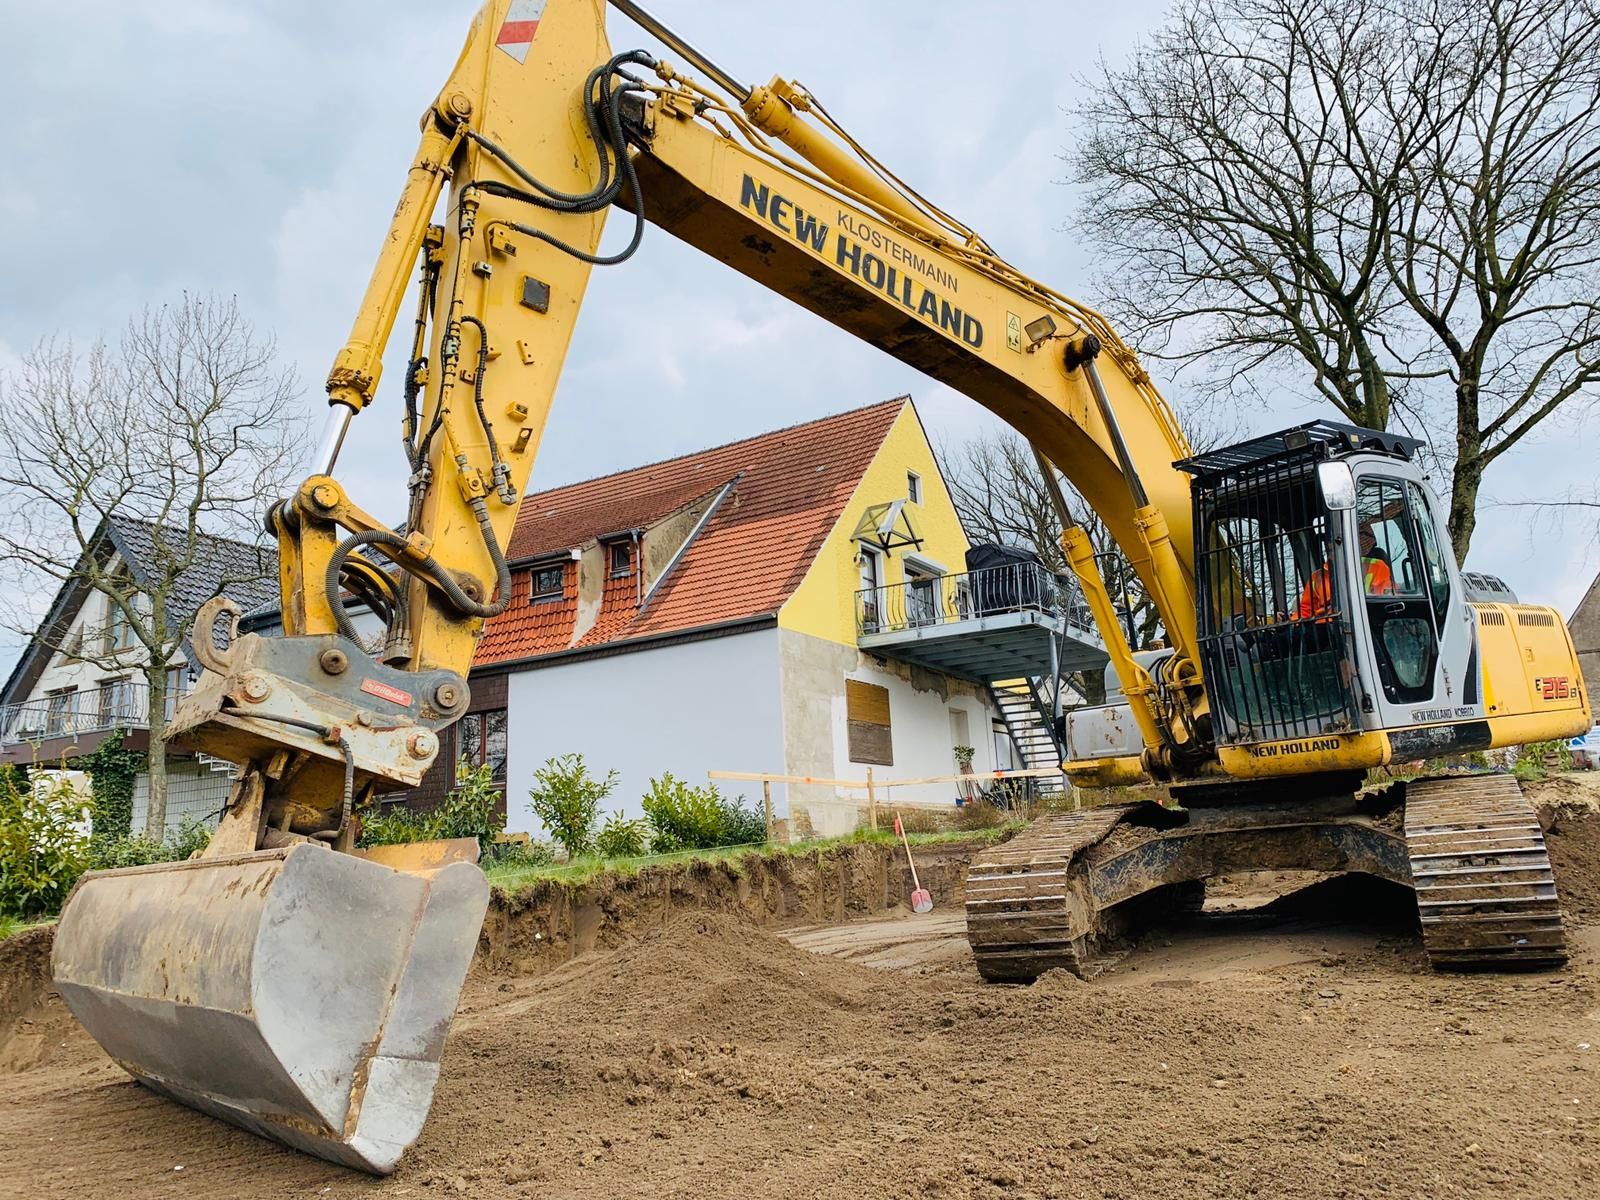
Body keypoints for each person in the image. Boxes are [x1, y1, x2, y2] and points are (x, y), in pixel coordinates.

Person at [1296, 525, 1394, 619]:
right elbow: (1305, 611)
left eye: (1337, 541)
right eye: (1329, 544)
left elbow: (1387, 600)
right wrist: (1288, 620)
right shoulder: (1316, 577)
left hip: (1365, 622)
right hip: (1326, 629)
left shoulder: (1377, 567)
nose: (1331, 546)